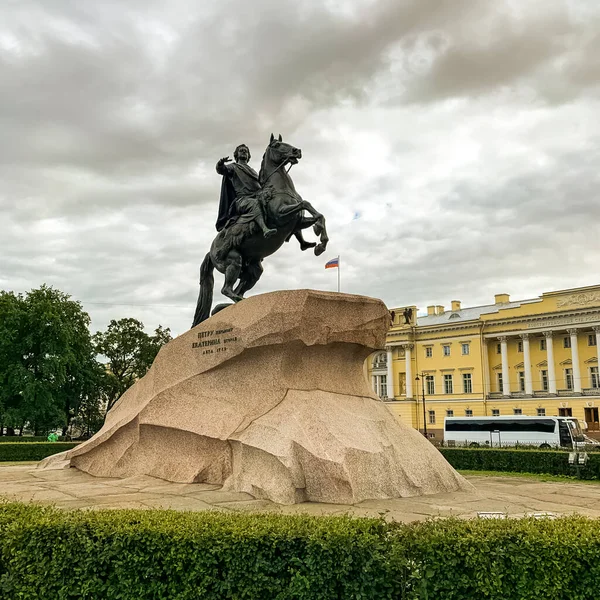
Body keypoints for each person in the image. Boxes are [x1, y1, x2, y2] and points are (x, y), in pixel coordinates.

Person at [215, 144, 276, 239]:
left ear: (248, 156)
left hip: (257, 196)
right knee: (254, 204)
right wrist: (220, 164)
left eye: (246, 151)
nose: (244, 152)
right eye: (241, 150)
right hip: (242, 200)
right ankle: (265, 229)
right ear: (236, 155)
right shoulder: (233, 167)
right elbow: (222, 170)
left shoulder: (253, 171)